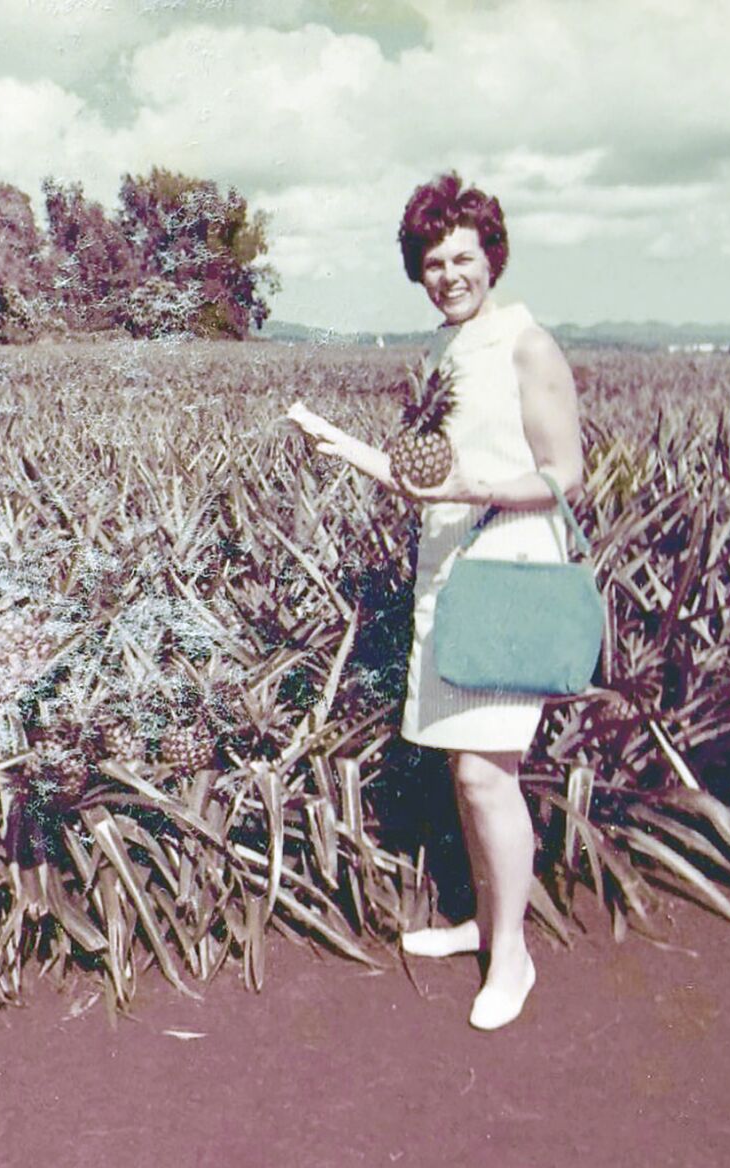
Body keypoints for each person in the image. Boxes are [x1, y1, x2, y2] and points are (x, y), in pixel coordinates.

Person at [286, 173, 584, 1030]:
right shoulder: (446, 352)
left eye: (461, 257)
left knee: (486, 775)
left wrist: (476, 485)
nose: (448, 274)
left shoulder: (526, 345)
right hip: (451, 569)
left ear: (491, 256)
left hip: (510, 568)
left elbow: (564, 475)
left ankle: (513, 958)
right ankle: (486, 925)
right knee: (468, 773)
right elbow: (428, 484)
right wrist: (338, 443)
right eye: (431, 262)